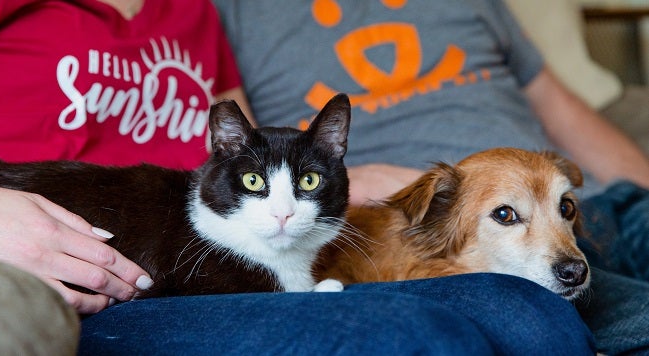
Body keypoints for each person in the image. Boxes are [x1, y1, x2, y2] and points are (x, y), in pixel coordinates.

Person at [0, 0, 596, 354]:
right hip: (94, 283)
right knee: (405, 336)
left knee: (535, 322)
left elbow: (259, 160)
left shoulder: (193, 13)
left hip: (223, 265)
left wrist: (356, 183)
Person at [211, 0, 649, 354]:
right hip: (423, 218)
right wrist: (362, 183)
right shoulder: (232, 11)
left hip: (581, 200)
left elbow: (562, 110)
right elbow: (248, 161)